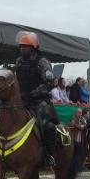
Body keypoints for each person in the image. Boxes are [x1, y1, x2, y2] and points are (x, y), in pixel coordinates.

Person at [14, 31, 57, 166]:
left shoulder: (42, 62)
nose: (22, 49)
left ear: (33, 48)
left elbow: (50, 83)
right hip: (21, 100)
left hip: (39, 101)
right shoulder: (19, 61)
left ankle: (49, 156)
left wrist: (33, 93)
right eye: (21, 46)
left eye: (25, 47)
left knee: (48, 127)